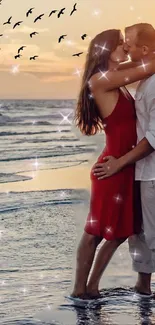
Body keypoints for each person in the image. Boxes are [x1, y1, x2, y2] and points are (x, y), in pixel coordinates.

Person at [70, 27, 155, 300]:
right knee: (96, 231)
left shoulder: (114, 77)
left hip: (123, 165)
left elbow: (143, 63)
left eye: (126, 44)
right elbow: (146, 66)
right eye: (121, 44)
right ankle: (81, 290)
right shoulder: (101, 80)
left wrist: (139, 53)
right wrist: (144, 53)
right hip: (113, 166)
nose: (125, 48)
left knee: (116, 231)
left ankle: (88, 289)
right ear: (107, 51)